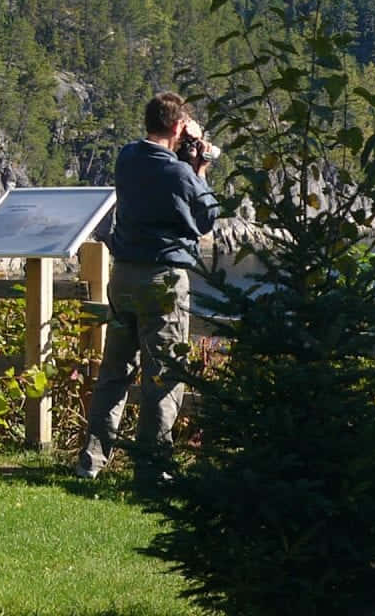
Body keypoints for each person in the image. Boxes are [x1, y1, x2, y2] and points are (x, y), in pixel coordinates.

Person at [76, 91, 217, 483]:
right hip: (163, 280)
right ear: (177, 126)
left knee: (114, 372)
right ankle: (151, 466)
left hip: (122, 276)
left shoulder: (128, 158)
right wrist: (200, 166)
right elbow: (207, 218)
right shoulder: (179, 173)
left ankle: (91, 460)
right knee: (163, 375)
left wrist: (183, 153)